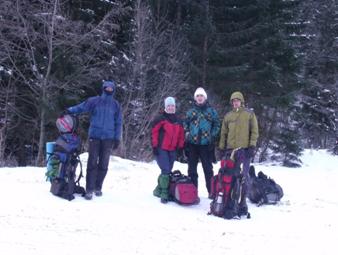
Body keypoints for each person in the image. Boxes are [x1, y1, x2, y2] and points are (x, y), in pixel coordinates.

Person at [65, 80, 122, 200]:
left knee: (103, 164)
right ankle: (89, 189)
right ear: (103, 88)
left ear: (113, 90)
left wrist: (117, 138)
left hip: (108, 138)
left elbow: (118, 123)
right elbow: (81, 107)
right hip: (94, 137)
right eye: (107, 88)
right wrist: (69, 110)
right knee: (91, 163)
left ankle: (98, 187)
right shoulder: (94, 101)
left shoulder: (116, 105)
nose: (109, 90)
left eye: (111, 89)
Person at [218, 91, 259, 215]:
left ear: (241, 101)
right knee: (231, 176)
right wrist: (221, 148)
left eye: (237, 100)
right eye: (233, 101)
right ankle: (230, 200)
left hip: (244, 151)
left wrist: (252, 146)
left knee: (244, 176)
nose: (235, 102)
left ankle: (243, 202)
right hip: (230, 152)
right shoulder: (228, 116)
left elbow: (254, 131)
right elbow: (223, 133)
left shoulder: (249, 114)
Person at [184, 87, 220, 197]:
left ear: (205, 98)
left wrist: (212, 136)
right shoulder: (191, 112)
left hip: (206, 144)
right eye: (198, 96)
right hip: (192, 144)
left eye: (201, 96)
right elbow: (185, 124)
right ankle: (193, 192)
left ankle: (211, 192)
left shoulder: (211, 111)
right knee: (192, 170)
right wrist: (187, 133)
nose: (200, 98)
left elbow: (217, 124)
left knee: (208, 170)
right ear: (195, 98)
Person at [151, 97, 185, 204]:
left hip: (173, 149)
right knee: (165, 169)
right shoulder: (160, 119)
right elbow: (154, 133)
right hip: (161, 148)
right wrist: (155, 146)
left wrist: (180, 147)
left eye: (172, 106)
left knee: (168, 170)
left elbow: (181, 135)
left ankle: (158, 189)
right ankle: (164, 193)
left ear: (175, 107)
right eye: (168, 106)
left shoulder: (178, 120)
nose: (170, 108)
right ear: (165, 107)